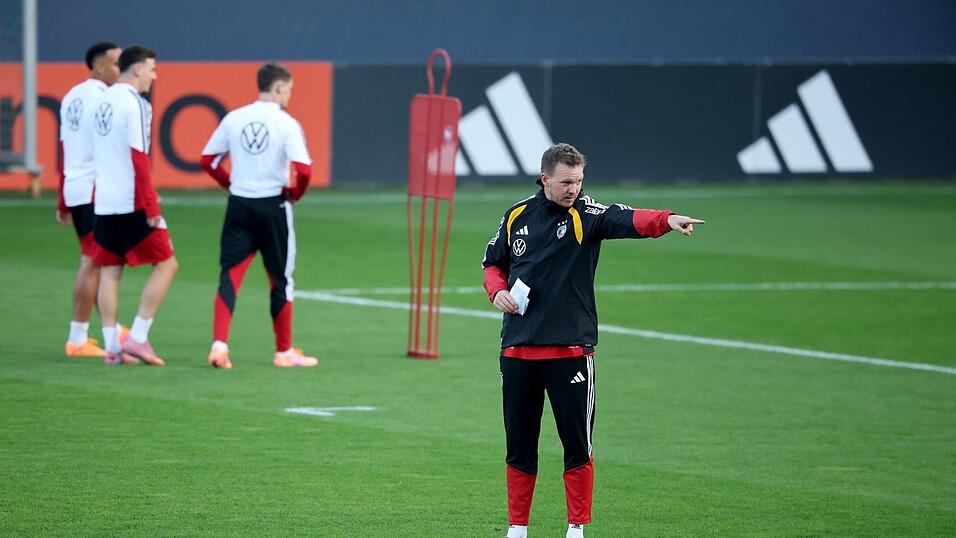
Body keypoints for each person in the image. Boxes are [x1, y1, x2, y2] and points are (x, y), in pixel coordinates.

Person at [481, 143, 705, 538]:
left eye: (579, 181)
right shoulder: (517, 215)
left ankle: (576, 528)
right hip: (517, 349)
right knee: (519, 444)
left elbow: (629, 219)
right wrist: (496, 291)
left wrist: (667, 220)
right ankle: (517, 529)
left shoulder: (587, 213)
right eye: (567, 182)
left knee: (577, 445)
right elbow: (493, 263)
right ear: (545, 179)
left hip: (570, 351)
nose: (574, 189)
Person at [199, 62, 317, 369]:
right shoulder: (286, 123)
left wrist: (231, 184)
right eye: (289, 89)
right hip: (273, 207)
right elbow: (303, 170)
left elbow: (208, 160)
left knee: (231, 274)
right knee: (280, 279)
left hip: (239, 204)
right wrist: (295, 194)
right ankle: (283, 351)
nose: (290, 95)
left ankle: (219, 346)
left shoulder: (234, 118)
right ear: (278, 88)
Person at [91, 45, 178, 366]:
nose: (154, 76)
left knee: (110, 272)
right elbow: (139, 158)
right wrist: (151, 205)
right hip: (131, 202)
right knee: (167, 264)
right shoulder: (136, 104)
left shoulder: (102, 102)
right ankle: (138, 338)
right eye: (152, 69)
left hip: (104, 201)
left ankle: (112, 348)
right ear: (138, 69)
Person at [56, 41, 123, 357]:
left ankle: (108, 326)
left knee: (97, 258)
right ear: (98, 67)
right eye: (115, 63)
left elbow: (66, 147)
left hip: (76, 184)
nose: (119, 69)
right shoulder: (105, 101)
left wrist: (62, 197)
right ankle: (78, 337)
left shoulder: (71, 97)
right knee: (95, 260)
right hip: (94, 187)